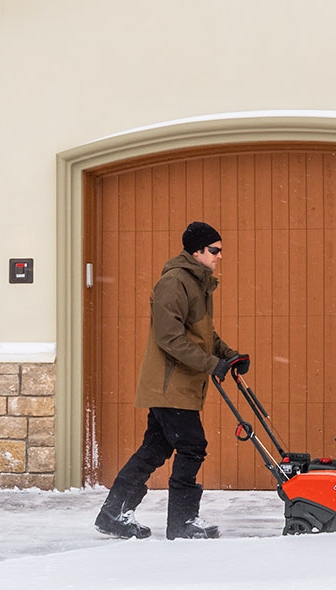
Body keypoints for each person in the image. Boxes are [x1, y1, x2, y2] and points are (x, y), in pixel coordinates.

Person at [94, 221, 247, 540]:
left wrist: (228, 355)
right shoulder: (175, 282)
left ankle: (113, 513)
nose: (220, 256)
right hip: (169, 385)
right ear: (197, 251)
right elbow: (169, 338)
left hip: (181, 386)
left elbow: (203, 333)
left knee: (154, 449)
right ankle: (182, 520)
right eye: (215, 251)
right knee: (192, 446)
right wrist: (210, 364)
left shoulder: (199, 284)